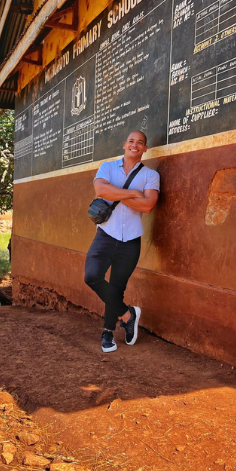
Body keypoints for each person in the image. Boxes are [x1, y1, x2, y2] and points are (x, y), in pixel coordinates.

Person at [85, 130, 160, 353]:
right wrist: (134, 194)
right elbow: (100, 190)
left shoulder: (151, 175)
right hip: (106, 235)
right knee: (92, 276)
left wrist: (117, 194)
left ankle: (108, 333)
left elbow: (148, 206)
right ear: (124, 144)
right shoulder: (107, 167)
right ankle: (128, 315)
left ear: (145, 149)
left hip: (131, 241)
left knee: (117, 287)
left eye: (140, 143)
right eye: (131, 141)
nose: (135, 145)